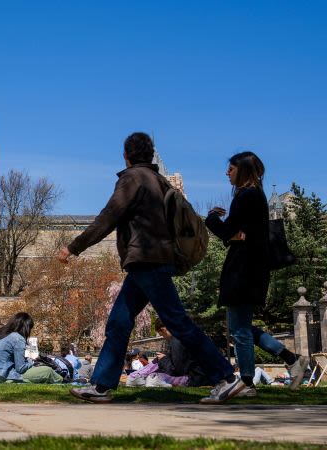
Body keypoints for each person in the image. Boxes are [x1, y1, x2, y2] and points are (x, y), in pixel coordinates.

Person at [59, 132, 243, 404]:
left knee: (178, 322)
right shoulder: (158, 181)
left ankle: (226, 378)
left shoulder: (133, 179)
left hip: (147, 259)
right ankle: (101, 386)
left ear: (126, 155)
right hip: (150, 261)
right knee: (119, 324)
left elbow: (108, 217)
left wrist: (73, 247)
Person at [205, 151, 309, 392]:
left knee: (240, 330)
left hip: (242, 271)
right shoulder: (256, 196)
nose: (226, 173)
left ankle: (247, 382)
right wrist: (234, 235)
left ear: (241, 170)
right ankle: (293, 359)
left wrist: (210, 218)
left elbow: (226, 231)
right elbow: (235, 233)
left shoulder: (245, 196)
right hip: (252, 270)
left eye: (230, 169)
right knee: (240, 326)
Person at [0, 312, 63, 384]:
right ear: (26, 327)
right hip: (2, 377)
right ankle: (63, 380)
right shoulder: (18, 338)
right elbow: (20, 368)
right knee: (47, 371)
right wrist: (32, 362)